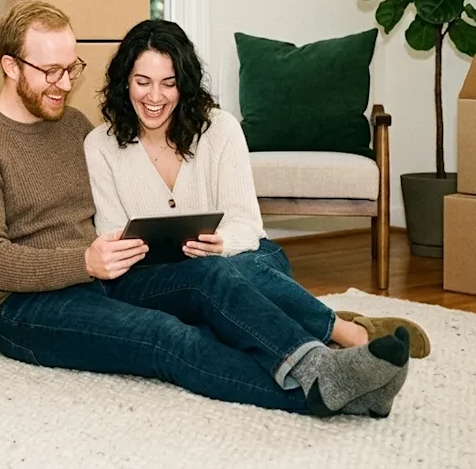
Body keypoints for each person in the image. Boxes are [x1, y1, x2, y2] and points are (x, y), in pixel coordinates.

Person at [0, 1, 412, 418]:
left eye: (71, 68)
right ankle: (322, 391)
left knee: (213, 278)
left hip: (100, 282)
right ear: (11, 66)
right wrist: (81, 261)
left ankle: (326, 370)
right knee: (167, 339)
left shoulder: (71, 126)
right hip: (22, 309)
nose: (64, 83)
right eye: (51, 72)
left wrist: (100, 262)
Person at [83, 18, 431, 363]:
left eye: (169, 84)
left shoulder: (220, 129)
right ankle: (344, 333)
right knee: (217, 278)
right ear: (124, 83)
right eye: (142, 82)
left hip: (240, 259)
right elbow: (111, 236)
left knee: (247, 270)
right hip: (152, 279)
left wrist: (221, 244)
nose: (155, 97)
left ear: (184, 85)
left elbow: (247, 225)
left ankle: (314, 335)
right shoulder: (100, 145)